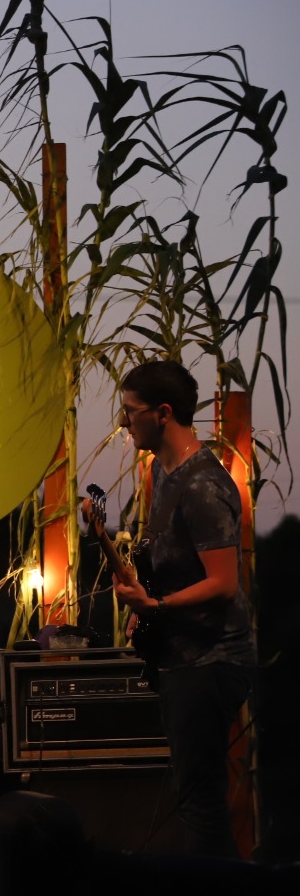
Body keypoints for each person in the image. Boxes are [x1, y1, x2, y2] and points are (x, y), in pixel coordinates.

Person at [112, 359, 255, 858]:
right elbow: (175, 564)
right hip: (182, 655)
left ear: (164, 413)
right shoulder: (162, 472)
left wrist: (157, 603)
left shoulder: (202, 486)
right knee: (193, 794)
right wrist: (144, 604)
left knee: (201, 800)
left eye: (131, 412)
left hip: (211, 659)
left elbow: (222, 582)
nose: (125, 422)